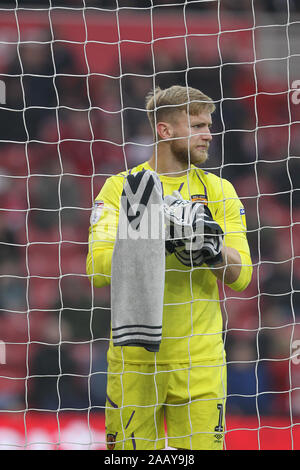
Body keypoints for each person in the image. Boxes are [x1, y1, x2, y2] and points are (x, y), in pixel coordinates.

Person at [86, 85, 252, 450]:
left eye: (209, 125)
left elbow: (242, 277)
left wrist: (212, 248)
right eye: (197, 126)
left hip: (201, 361)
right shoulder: (121, 189)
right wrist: (157, 233)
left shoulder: (219, 190)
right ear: (165, 131)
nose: (209, 134)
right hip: (134, 359)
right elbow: (97, 269)